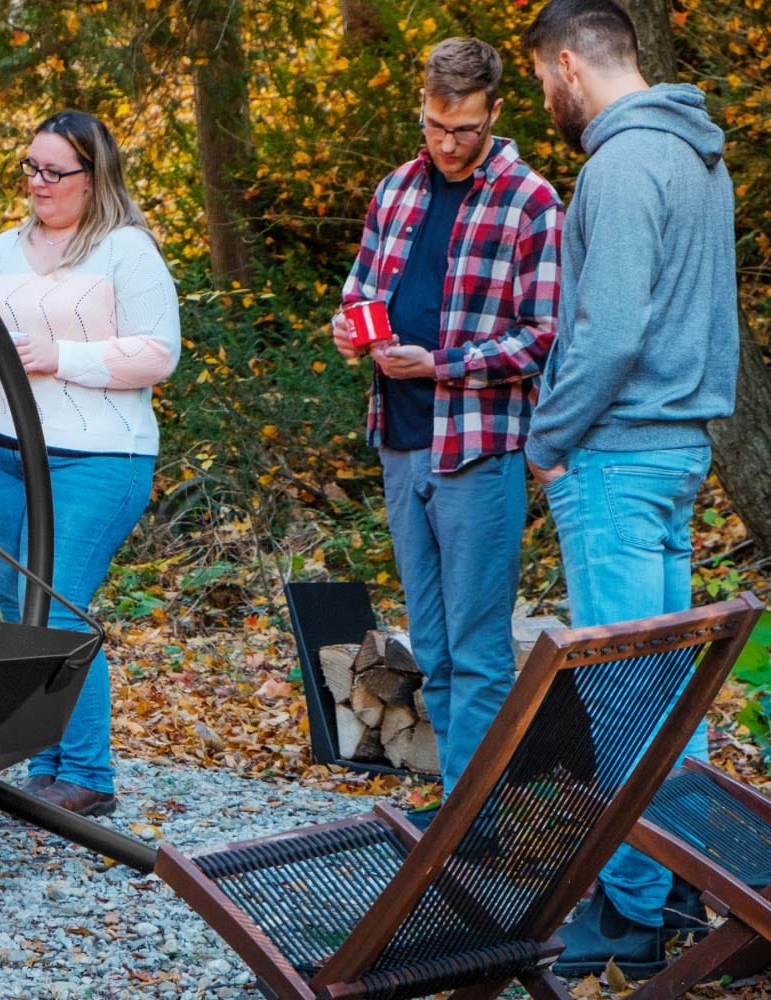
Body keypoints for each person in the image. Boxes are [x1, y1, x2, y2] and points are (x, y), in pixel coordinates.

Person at [520, 0, 739, 976]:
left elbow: (608, 330)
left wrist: (550, 440)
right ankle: (688, 881)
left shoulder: (616, 167)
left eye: (539, 82)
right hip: (682, 449)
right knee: (667, 696)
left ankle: (632, 912)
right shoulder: (701, 154)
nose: (547, 101)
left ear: (569, 62)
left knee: (620, 695)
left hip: (615, 455)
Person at [330, 37, 563, 809]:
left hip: (480, 448)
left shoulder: (531, 200)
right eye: (435, 125)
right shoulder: (395, 189)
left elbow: (544, 336)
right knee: (431, 646)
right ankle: (462, 814)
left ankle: (472, 825)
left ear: (495, 111)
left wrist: (443, 364)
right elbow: (361, 289)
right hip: (401, 441)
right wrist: (349, 329)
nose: (448, 143)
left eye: (464, 128)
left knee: (480, 652)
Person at [0, 110, 180, 817]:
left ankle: (91, 776)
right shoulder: (1, 249)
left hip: (95, 460)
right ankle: (48, 765)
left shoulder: (126, 253)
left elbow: (159, 353)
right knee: (19, 612)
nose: (38, 184)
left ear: (91, 176)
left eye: (54, 172)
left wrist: (61, 358)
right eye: (31, 169)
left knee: (62, 615)